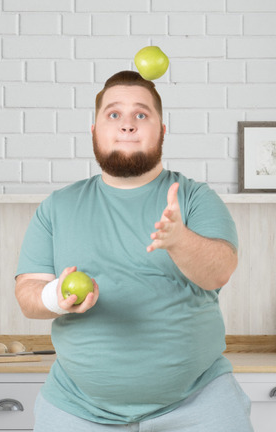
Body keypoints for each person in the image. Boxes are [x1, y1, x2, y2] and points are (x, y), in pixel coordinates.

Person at [15, 71, 253, 432]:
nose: (127, 125)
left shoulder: (195, 197)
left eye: (141, 115)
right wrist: (55, 296)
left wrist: (178, 239)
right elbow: (27, 292)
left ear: (162, 130)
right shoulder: (57, 207)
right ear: (93, 130)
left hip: (200, 403)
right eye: (113, 115)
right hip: (76, 409)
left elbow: (220, 270)